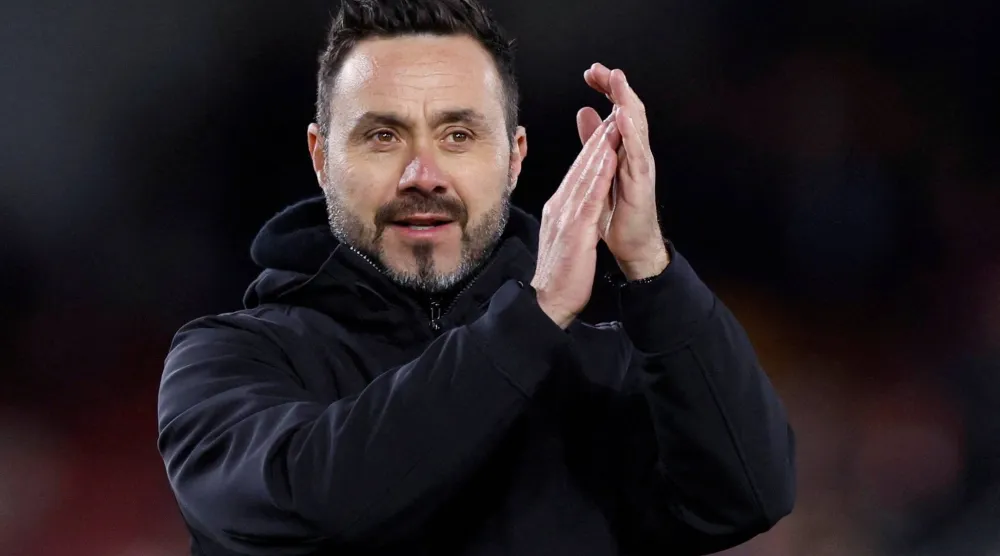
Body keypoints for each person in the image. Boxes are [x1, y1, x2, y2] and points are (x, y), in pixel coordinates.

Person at [156, 0, 796, 554]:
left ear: (515, 158)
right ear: (321, 158)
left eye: (458, 134)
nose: (423, 174)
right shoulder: (227, 361)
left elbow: (748, 495)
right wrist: (532, 318)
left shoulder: (601, 360)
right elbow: (322, 501)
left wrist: (651, 268)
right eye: (383, 136)